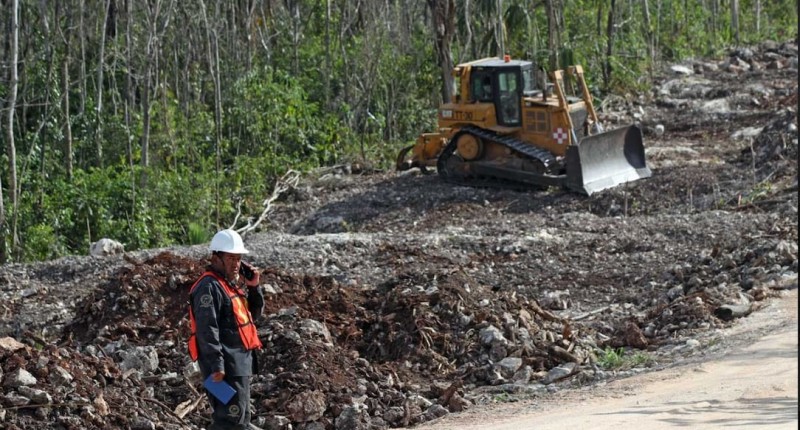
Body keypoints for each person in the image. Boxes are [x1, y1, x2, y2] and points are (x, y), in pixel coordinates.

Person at [188, 229, 264, 429]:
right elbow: (207, 330)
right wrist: (217, 367)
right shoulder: (208, 287)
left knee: (239, 420)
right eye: (231, 258)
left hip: (237, 367)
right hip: (221, 371)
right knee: (230, 421)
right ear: (215, 258)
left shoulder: (228, 287)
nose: (236, 264)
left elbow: (252, 318)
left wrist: (254, 287)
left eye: (238, 259)